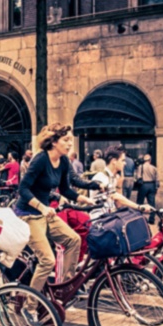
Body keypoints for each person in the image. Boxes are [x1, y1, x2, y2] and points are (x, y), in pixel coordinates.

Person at [16, 123, 99, 292]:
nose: (70, 144)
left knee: (73, 240)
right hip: (29, 214)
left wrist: (85, 199)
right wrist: (42, 207)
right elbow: (22, 189)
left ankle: (65, 287)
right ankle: (30, 306)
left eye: (70, 140)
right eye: (66, 140)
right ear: (54, 142)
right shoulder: (40, 159)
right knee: (47, 260)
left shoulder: (63, 161)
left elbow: (66, 188)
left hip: (45, 213)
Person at [90, 148, 153, 221]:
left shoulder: (114, 177)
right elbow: (116, 196)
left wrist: (119, 185)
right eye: (122, 160)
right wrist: (139, 207)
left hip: (110, 218)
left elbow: (119, 205)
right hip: (100, 221)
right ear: (114, 161)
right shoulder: (101, 177)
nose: (125, 163)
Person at [135, 154, 159, 221]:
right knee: (152, 203)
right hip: (151, 185)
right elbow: (157, 179)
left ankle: (138, 217)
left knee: (140, 201)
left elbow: (138, 177)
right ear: (150, 160)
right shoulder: (154, 168)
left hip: (143, 185)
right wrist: (156, 187)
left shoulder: (140, 167)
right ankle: (152, 218)